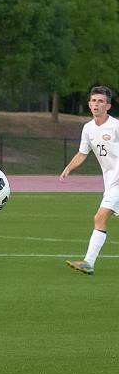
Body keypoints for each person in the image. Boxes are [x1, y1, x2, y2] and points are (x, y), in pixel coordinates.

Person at [61, 85, 119, 275]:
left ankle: (88, 262)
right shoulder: (88, 129)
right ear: (89, 104)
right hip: (110, 181)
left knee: (99, 217)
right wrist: (69, 167)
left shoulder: (116, 126)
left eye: (101, 101)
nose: (96, 104)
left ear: (108, 106)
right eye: (93, 101)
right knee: (100, 218)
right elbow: (82, 153)